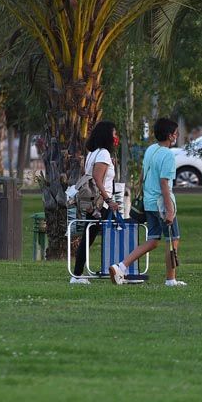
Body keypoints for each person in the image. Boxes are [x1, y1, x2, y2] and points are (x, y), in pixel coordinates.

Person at [109, 117, 185, 286]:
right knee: (172, 240)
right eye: (175, 133)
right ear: (170, 135)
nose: (176, 135)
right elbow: (164, 183)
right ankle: (171, 279)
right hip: (162, 204)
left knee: (152, 241)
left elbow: (143, 175)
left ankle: (121, 267)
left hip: (149, 203)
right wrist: (170, 210)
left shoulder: (151, 149)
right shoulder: (168, 156)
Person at [70, 121, 120, 284]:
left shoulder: (93, 152)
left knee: (89, 235)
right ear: (107, 135)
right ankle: (78, 275)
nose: (115, 136)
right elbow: (97, 179)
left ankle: (79, 273)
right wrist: (109, 200)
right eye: (113, 133)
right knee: (92, 236)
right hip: (100, 203)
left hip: (93, 201)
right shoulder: (103, 154)